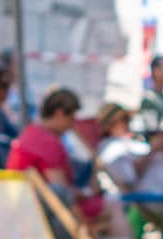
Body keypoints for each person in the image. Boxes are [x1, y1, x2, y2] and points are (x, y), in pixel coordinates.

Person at [7, 88, 112, 229]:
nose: (73, 124)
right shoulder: (47, 141)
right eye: (72, 118)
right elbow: (62, 194)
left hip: (23, 213)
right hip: (42, 218)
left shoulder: (31, 132)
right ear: (59, 114)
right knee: (113, 206)